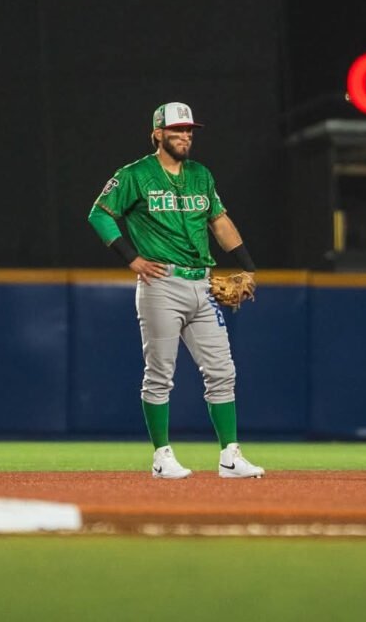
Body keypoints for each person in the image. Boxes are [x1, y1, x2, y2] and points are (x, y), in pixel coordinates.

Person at [87, 102, 265, 479]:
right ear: (158, 134)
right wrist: (131, 258)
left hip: (202, 283)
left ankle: (230, 456)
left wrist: (247, 266)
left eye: (189, 130)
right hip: (161, 284)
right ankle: (161, 456)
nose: (185, 136)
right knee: (160, 373)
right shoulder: (135, 174)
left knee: (222, 370)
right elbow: (99, 213)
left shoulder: (201, 175)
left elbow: (219, 222)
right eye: (177, 130)